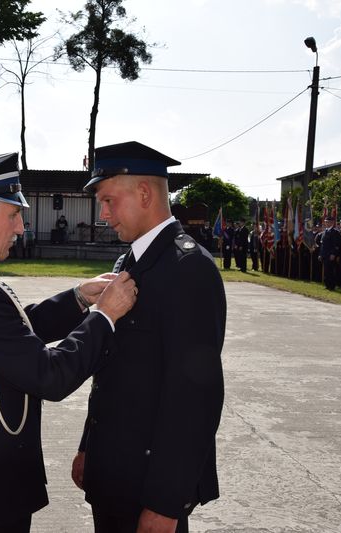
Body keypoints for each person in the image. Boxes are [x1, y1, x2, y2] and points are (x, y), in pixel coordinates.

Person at [0, 152, 137, 533]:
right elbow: (50, 376)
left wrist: (78, 298)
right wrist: (105, 317)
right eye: (13, 215)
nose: (21, 227)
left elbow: (5, 330)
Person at [73, 141, 226, 533]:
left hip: (149, 486)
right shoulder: (130, 260)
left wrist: (165, 503)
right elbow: (111, 372)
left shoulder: (187, 267)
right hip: (114, 473)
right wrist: (88, 447)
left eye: (109, 201)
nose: (103, 214)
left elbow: (195, 398)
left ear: (144, 194)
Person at [319, 216, 341, 291]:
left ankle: (332, 286)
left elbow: (336, 245)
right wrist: (320, 254)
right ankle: (327, 285)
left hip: (330, 255)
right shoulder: (324, 232)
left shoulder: (335, 232)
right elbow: (322, 244)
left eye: (328, 222)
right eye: (326, 222)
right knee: (326, 270)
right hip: (324, 254)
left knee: (330, 270)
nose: (327, 223)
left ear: (332, 223)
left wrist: (333, 254)